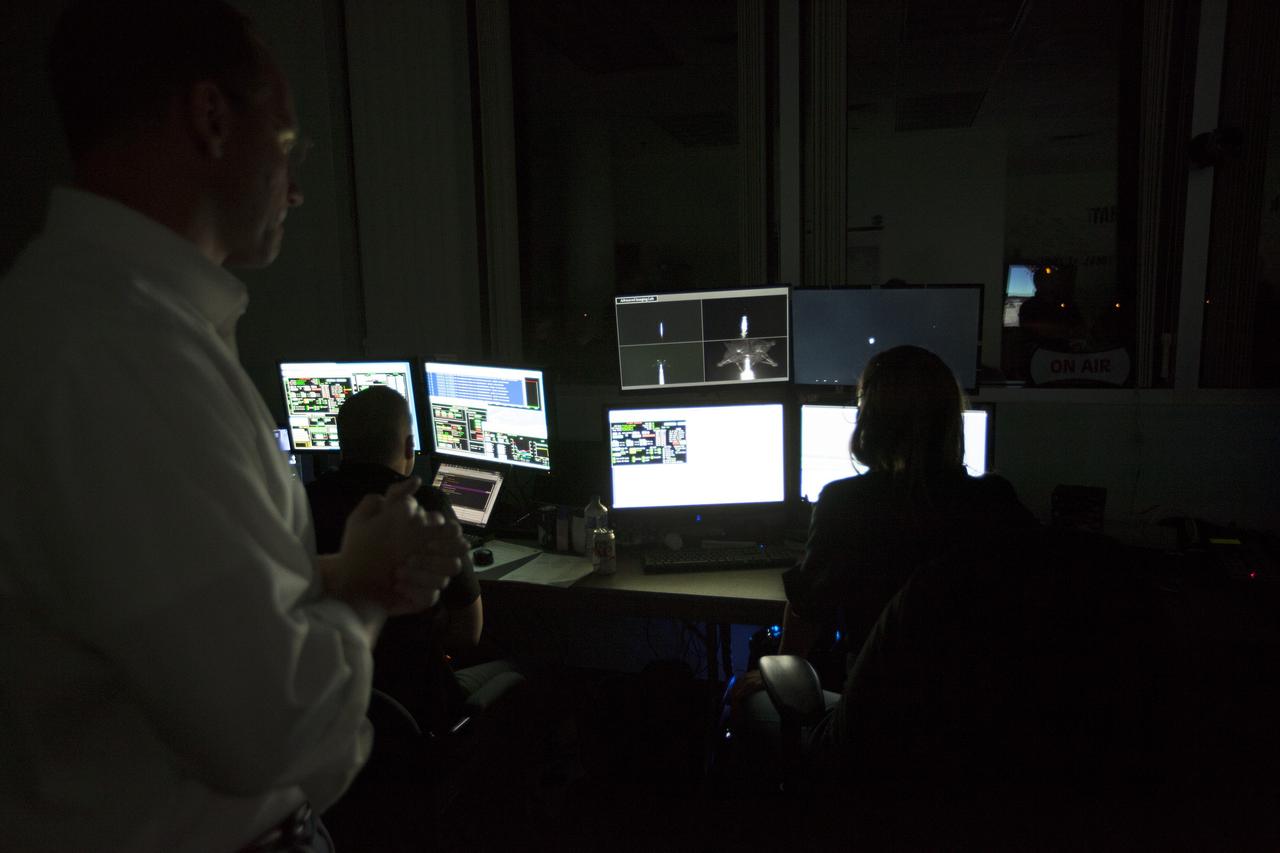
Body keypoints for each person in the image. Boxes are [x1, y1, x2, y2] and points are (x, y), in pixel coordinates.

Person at [0, 2, 467, 851]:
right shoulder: (123, 356)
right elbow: (276, 731)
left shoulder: (69, 314)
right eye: (287, 143)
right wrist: (366, 588)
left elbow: (138, 601)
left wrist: (336, 567)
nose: (296, 187)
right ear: (212, 118)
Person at [733, 345, 1037, 736]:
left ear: (869, 420)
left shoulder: (846, 503)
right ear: (951, 419)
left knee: (740, 699)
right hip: (977, 725)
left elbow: (808, 608)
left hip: (875, 724)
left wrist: (771, 669)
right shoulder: (997, 499)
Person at [306, 385, 523, 736]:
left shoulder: (304, 502)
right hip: (419, 706)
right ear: (409, 447)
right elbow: (469, 633)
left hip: (334, 711)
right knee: (519, 664)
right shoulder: (424, 505)